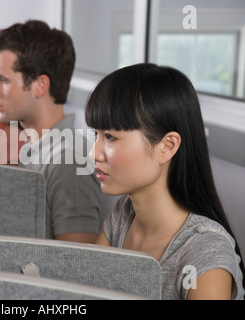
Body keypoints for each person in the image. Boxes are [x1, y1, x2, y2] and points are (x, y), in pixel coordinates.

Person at [86, 63, 244, 300]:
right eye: (96, 135)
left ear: (167, 147)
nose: (93, 153)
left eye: (110, 137)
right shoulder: (124, 214)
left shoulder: (205, 252)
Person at [0, 20, 112, 243]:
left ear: (40, 86)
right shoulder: (40, 150)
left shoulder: (67, 160)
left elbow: (75, 265)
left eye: (2, 80)